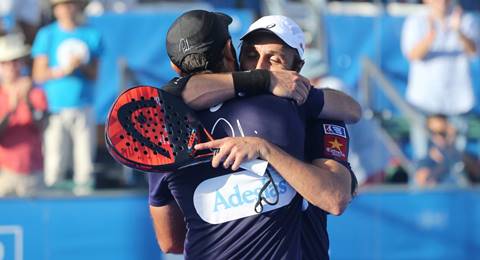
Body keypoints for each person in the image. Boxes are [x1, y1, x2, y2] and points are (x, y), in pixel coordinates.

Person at [148, 12, 358, 259]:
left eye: (275, 59)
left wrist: (264, 149)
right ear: (231, 51)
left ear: (298, 68)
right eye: (251, 55)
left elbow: (335, 196)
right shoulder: (288, 107)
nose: (260, 66)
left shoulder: (161, 134)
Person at [31, 0, 102, 195]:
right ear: (55, 10)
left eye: (70, 4)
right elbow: (38, 74)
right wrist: (64, 70)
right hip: (55, 108)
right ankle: (52, 205)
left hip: (83, 106)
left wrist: (80, 66)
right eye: (61, 5)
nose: (67, 9)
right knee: (54, 162)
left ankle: (85, 203)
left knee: (85, 165)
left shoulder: (91, 34)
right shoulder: (47, 35)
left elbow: (94, 74)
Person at [401, 0, 480, 160]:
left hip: (457, 101)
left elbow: (474, 51)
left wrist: (458, 32)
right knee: (423, 159)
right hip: (424, 101)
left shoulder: (466, 19)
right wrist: (431, 36)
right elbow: (412, 54)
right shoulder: (415, 20)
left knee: (458, 160)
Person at [0, 33, 48, 197]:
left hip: (32, 172)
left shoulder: (36, 93)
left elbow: (42, 126)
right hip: (4, 173)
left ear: (21, 63)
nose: (11, 67)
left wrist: (26, 101)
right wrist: (11, 109)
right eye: (5, 63)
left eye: (15, 61)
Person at [414, 114, 469, 187]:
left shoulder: (464, 157)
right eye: (433, 133)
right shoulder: (426, 159)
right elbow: (422, 181)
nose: (438, 136)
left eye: (442, 133)